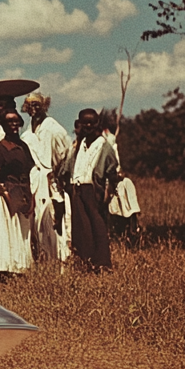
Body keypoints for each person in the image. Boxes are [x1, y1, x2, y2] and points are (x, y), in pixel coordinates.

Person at [58, 108, 119, 272]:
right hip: (77, 189)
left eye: (92, 122)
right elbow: (66, 167)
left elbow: (111, 171)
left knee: (97, 226)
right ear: (80, 123)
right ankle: (85, 263)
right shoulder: (78, 145)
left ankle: (102, 264)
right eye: (85, 122)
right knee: (80, 227)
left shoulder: (104, 146)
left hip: (93, 191)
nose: (88, 125)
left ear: (98, 123)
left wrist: (106, 193)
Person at [0, 110, 35, 277]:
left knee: (22, 231)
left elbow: (27, 171)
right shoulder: (1, 148)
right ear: (3, 125)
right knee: (8, 231)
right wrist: (6, 196)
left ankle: (20, 268)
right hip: (6, 191)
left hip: (22, 189)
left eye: (16, 121)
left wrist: (30, 195)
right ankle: (5, 269)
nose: (13, 125)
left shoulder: (23, 147)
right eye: (9, 122)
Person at [22, 91, 71, 263]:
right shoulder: (27, 131)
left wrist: (55, 173)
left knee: (53, 219)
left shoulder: (53, 128)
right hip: (33, 179)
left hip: (49, 180)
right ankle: (40, 258)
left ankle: (58, 258)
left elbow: (64, 152)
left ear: (44, 106)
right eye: (30, 105)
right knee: (35, 221)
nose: (33, 108)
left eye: (37, 104)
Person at [100, 110, 142, 243]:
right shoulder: (101, 139)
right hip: (103, 177)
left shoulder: (111, 139)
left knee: (126, 186)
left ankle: (132, 227)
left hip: (113, 175)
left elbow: (115, 161)